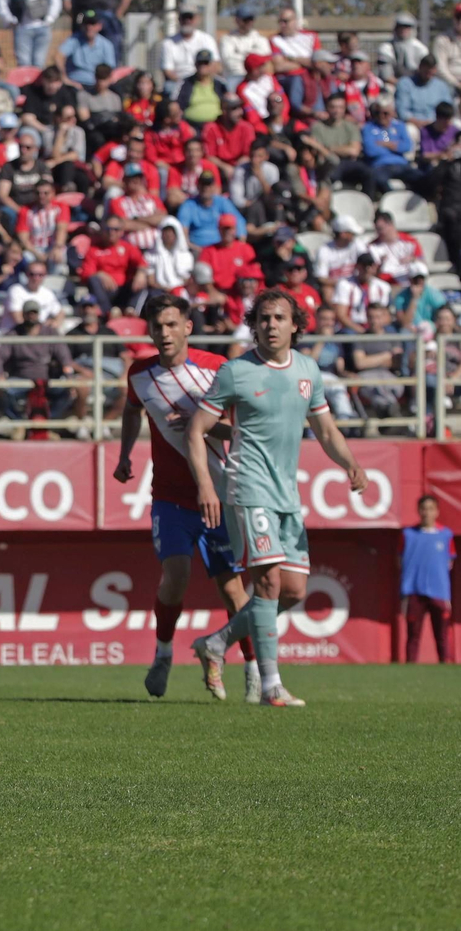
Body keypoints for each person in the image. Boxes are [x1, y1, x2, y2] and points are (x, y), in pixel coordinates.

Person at [187, 289, 366, 707]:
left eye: (279, 318)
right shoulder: (235, 372)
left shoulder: (308, 370)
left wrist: (351, 464)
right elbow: (197, 428)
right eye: (263, 319)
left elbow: (325, 430)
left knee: (293, 591)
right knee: (266, 582)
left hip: (287, 492)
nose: (270, 325)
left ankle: (215, 643)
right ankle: (271, 686)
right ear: (254, 325)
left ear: (295, 325)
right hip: (248, 487)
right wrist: (206, 485)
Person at [114, 294, 258, 700]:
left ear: (188, 327)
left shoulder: (216, 370)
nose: (164, 333)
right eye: (157, 326)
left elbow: (242, 431)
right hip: (171, 497)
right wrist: (125, 453)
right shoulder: (139, 374)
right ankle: (163, 653)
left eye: (172, 324)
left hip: (220, 496)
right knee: (175, 578)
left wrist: (202, 426)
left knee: (233, 591)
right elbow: (131, 410)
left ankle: (251, 667)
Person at [400, 496, 453, 663]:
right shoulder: (407, 534)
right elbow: (399, 560)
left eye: (431, 509)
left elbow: (449, 562)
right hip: (414, 591)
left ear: (437, 512)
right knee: (413, 635)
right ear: (418, 511)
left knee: (442, 636)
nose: (427, 513)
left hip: (439, 593)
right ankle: (409, 672)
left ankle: (446, 670)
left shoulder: (446, 535)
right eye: (424, 508)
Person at [58, 11, 116, 88]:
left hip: (96, 86)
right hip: (75, 84)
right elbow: (58, 56)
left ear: (99, 26)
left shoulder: (106, 45)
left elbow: (110, 69)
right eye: (86, 23)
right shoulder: (73, 40)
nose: (89, 27)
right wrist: (64, 78)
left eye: (92, 23)